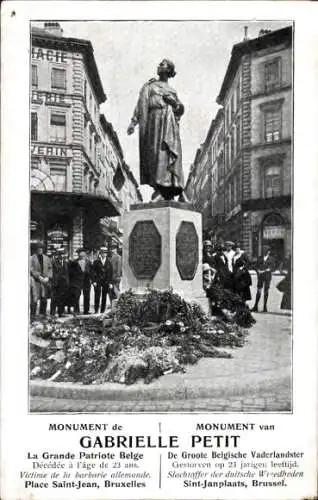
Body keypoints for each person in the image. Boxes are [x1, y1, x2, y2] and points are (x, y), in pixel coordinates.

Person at [127, 59, 187, 202]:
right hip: (153, 122)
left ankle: (168, 190)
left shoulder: (172, 90)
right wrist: (133, 122)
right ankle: (158, 188)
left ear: (169, 70)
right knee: (154, 155)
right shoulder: (150, 86)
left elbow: (180, 110)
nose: (159, 66)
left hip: (168, 122)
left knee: (167, 154)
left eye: (162, 64)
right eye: (159, 64)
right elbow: (140, 105)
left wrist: (174, 103)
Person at [30, 241, 53, 317]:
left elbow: (50, 268)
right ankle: (33, 315)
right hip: (35, 281)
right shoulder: (32, 258)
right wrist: (38, 276)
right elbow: (31, 269)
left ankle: (42, 313)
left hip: (45, 281)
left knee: (44, 298)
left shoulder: (47, 258)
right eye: (38, 248)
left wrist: (48, 277)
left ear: (43, 249)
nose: (40, 250)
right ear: (36, 249)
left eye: (41, 248)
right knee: (34, 298)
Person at [252, 246, 276, 313]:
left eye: (266, 250)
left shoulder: (271, 259)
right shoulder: (260, 258)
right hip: (260, 277)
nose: (265, 252)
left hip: (267, 277)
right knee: (258, 291)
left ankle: (265, 307)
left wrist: (265, 270)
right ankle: (255, 306)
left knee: (266, 291)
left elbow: (273, 268)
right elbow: (255, 266)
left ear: (269, 251)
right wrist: (257, 271)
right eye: (264, 250)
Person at [68, 248, 91, 315]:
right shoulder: (74, 262)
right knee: (76, 296)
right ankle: (76, 310)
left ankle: (86, 311)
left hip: (86, 281)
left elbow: (91, 272)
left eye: (83, 253)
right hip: (77, 282)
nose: (81, 254)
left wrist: (93, 280)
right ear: (78, 254)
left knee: (87, 296)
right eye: (79, 253)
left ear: (85, 254)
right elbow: (71, 273)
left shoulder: (88, 262)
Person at [91, 247, 113, 314]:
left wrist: (110, 283)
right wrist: (93, 281)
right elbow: (93, 272)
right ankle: (96, 310)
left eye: (105, 253)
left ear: (106, 254)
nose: (104, 254)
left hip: (105, 281)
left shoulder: (109, 262)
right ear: (100, 253)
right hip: (98, 281)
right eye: (102, 253)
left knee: (104, 296)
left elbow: (110, 273)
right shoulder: (96, 262)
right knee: (97, 295)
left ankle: (102, 310)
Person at [50, 248, 69, 317]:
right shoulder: (54, 262)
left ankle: (60, 313)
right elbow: (52, 272)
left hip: (63, 284)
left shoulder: (65, 263)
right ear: (58, 255)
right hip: (55, 283)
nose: (62, 256)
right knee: (54, 298)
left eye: (63, 254)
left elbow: (67, 273)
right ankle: (52, 313)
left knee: (61, 298)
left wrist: (67, 282)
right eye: (60, 254)